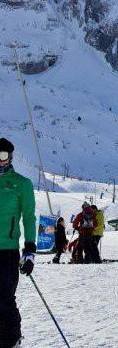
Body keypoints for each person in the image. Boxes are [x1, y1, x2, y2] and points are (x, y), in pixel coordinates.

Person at [0, 138, 36, 348]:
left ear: (10, 157)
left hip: (7, 251)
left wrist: (29, 250)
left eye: (2, 156)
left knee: (4, 299)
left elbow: (29, 217)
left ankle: (12, 341)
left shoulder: (22, 184)